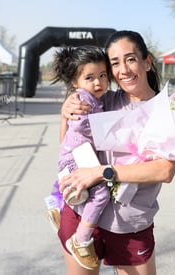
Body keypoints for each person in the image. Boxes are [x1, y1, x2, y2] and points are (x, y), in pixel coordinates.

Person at [58, 30, 175, 275]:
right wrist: (65, 114)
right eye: (115, 63)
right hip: (82, 217)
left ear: (147, 61)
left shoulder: (170, 111)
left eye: (131, 59)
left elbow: (165, 170)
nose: (123, 69)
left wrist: (101, 173)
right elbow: (68, 144)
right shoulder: (101, 101)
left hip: (130, 226)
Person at [52, 45, 111, 270]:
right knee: (99, 194)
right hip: (77, 159)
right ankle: (81, 239)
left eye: (102, 76)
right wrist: (105, 129)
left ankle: (55, 205)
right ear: (75, 81)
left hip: (73, 156)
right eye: (90, 77)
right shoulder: (83, 100)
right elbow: (79, 123)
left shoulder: (92, 98)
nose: (98, 82)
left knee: (66, 184)